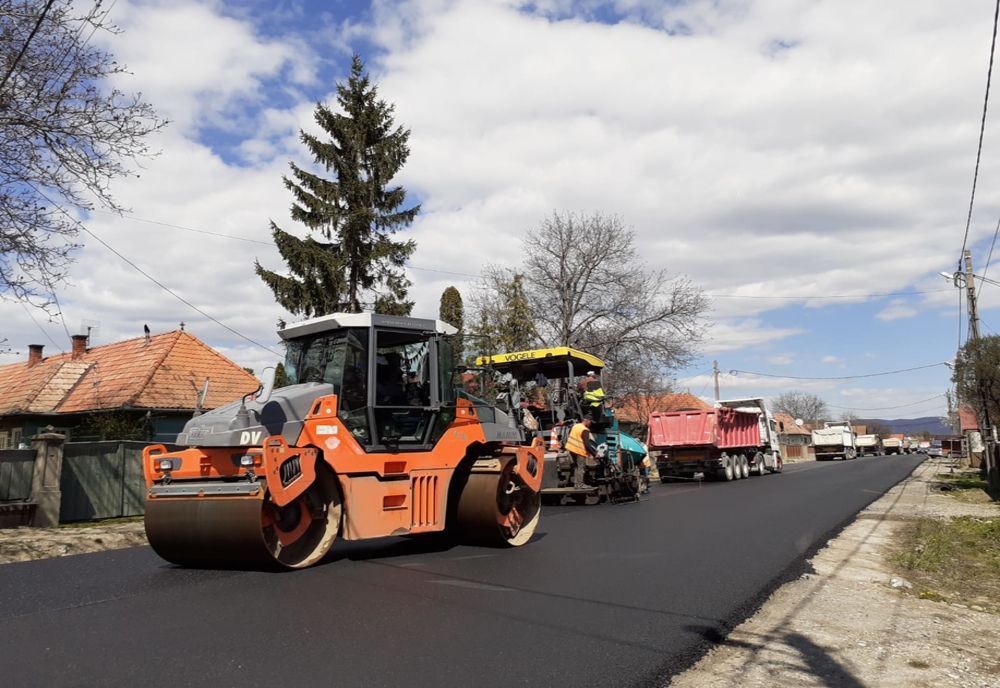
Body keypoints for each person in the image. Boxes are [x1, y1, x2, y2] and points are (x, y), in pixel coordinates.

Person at [564, 417, 597, 489]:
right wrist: (594, 454)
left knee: (576, 467)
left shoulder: (575, 426)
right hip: (579, 450)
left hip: (571, 449)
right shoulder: (585, 429)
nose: (590, 424)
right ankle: (580, 484)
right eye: (590, 422)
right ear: (587, 421)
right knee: (581, 467)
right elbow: (587, 444)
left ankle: (576, 484)